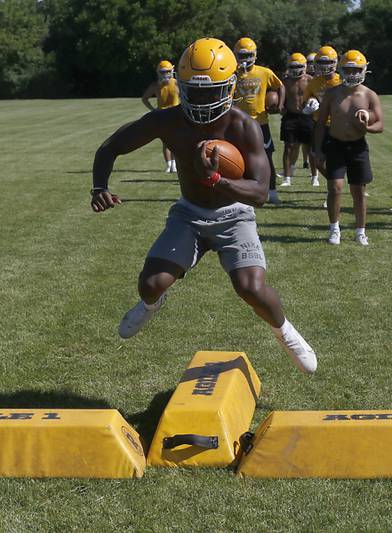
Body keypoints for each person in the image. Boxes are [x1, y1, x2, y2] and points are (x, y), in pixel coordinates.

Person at [90, 37, 317, 373]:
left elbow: (259, 192)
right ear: (182, 86)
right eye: (194, 91)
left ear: (228, 88)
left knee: (250, 288)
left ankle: (284, 331)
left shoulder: (242, 125)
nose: (201, 99)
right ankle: (153, 304)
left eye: (211, 91)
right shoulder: (168, 121)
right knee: (150, 285)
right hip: (190, 213)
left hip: (234, 215)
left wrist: (218, 182)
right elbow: (110, 147)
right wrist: (99, 186)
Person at [314, 50, 383, 246]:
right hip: (335, 144)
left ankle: (360, 231)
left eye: (356, 70)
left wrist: (367, 126)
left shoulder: (369, 95)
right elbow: (320, 124)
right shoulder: (332, 93)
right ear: (341, 70)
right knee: (335, 188)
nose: (352, 74)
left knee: (358, 191)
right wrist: (318, 150)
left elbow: (380, 125)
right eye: (348, 69)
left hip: (358, 146)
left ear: (364, 70)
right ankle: (334, 228)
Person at [233, 37, 286, 205]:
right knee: (237, 159)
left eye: (249, 55)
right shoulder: (231, 73)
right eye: (242, 55)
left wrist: (280, 104)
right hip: (238, 123)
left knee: (267, 159)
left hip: (260, 122)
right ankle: (242, 192)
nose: (245, 59)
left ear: (255, 55)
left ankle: (272, 192)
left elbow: (280, 86)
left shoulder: (264, 72)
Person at [303, 45, 342, 185]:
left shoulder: (341, 80)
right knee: (318, 160)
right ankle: (333, 182)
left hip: (339, 125)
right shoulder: (314, 82)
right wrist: (310, 102)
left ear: (335, 62)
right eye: (321, 62)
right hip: (320, 125)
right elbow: (307, 97)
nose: (324, 66)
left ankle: (335, 187)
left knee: (341, 160)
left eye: (328, 62)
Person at [280, 53, 317, 187]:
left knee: (310, 148)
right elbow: (280, 98)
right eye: (293, 66)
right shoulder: (285, 81)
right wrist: (280, 106)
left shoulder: (310, 80)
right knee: (288, 147)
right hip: (290, 116)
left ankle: (314, 177)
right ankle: (287, 178)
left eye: (299, 66)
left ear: (305, 66)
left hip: (307, 116)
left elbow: (318, 97)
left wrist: (314, 104)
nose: (296, 69)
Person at [141, 60, 180, 172]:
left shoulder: (177, 83)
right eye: (163, 72)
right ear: (158, 73)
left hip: (175, 114)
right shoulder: (155, 85)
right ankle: (169, 164)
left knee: (176, 141)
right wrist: (153, 109)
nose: (166, 75)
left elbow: (185, 96)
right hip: (162, 115)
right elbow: (144, 98)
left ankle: (174, 164)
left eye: (167, 72)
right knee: (166, 141)